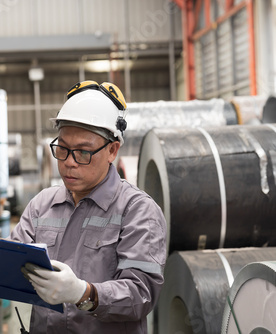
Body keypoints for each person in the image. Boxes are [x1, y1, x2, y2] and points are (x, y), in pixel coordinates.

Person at [10, 80, 167, 333]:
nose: (69, 162)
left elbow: (141, 293)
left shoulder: (137, 211)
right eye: (62, 148)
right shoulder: (41, 205)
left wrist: (85, 294)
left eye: (83, 152)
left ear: (112, 150)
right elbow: (12, 263)